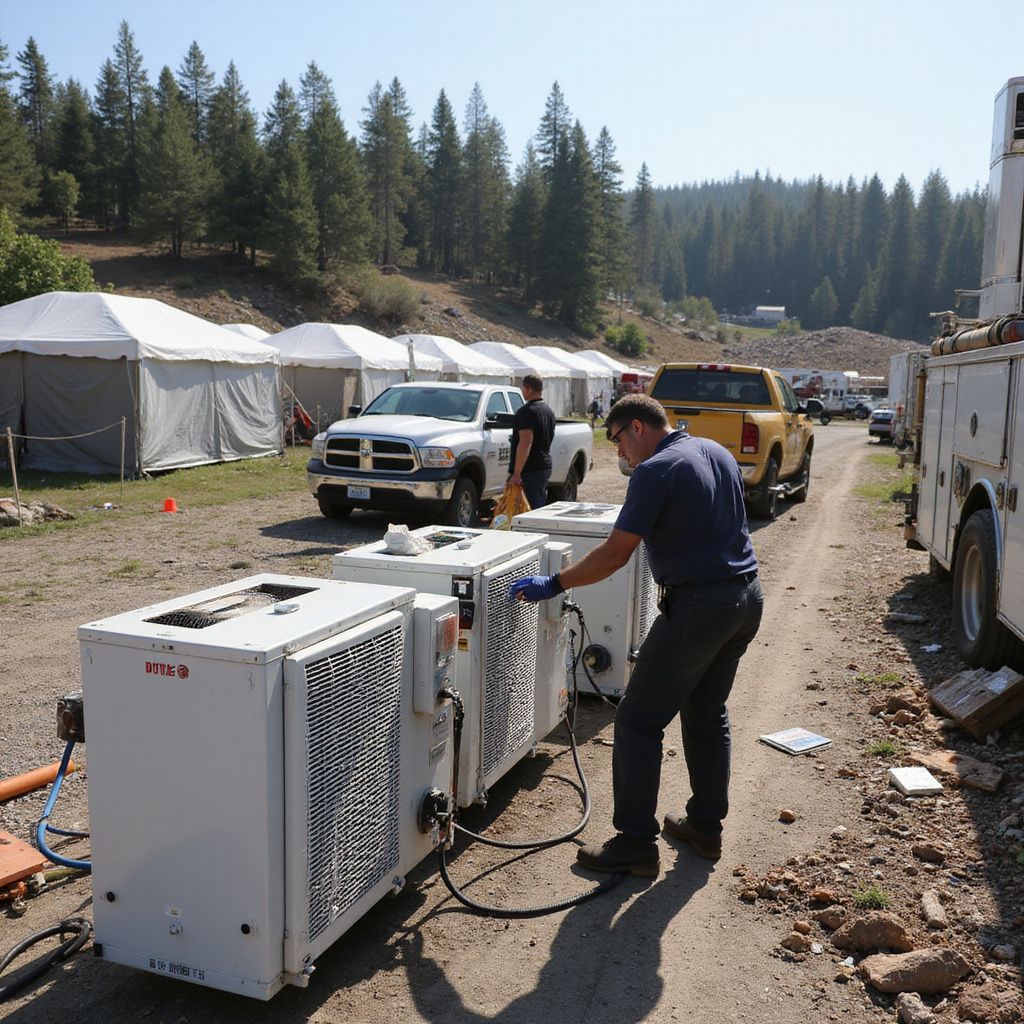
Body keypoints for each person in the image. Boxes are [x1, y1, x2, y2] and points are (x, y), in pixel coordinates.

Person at [509, 393, 763, 877]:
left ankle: (634, 844)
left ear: (638, 428)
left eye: (618, 440)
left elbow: (615, 553)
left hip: (699, 606)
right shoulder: (715, 451)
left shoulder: (656, 470)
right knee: (707, 712)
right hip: (745, 597)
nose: (619, 454)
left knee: (637, 720)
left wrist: (556, 582)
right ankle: (706, 829)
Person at [508, 373, 556, 511]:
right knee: (538, 506)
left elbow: (525, 442)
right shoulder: (548, 411)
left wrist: (517, 473)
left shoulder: (527, 412)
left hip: (530, 469)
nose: (522, 390)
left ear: (528, 388)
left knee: (527, 510)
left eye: (523, 387)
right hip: (544, 465)